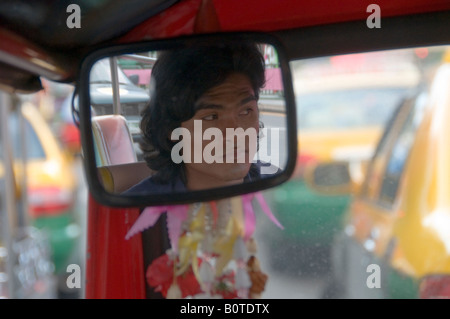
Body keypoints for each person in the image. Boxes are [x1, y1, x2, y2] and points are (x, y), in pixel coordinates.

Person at [124, 41, 277, 195]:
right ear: (171, 128)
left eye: (245, 112)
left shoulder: (277, 190)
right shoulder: (137, 212)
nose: (235, 134)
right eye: (211, 117)